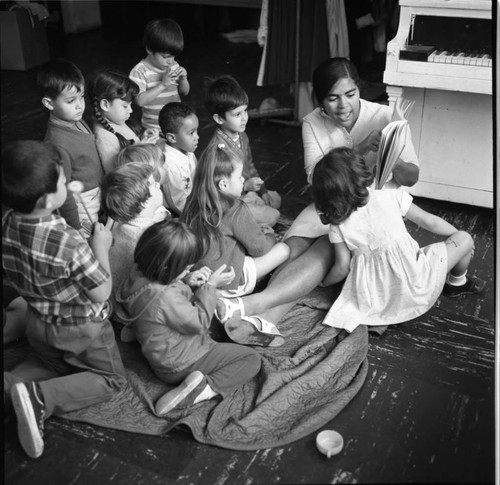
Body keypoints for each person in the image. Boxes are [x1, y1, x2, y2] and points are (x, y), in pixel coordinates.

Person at [214, 57, 421, 344]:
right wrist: (358, 150)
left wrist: (392, 155)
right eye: (332, 99)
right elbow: (315, 180)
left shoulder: (387, 117)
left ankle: (262, 314)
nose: (343, 105)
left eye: (350, 95)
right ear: (321, 100)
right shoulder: (312, 122)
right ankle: (257, 317)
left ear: (359, 90)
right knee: (294, 246)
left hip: (370, 206)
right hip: (328, 200)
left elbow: (412, 178)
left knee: (326, 249)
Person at [2, 140, 126, 459]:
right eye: (61, 180)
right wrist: (101, 245)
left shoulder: (6, 223)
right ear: (46, 199)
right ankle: (40, 397)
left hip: (37, 325)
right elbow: (101, 291)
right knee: (111, 380)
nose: (65, 183)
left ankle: (13, 384)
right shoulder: (68, 241)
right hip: (80, 331)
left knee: (53, 365)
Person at [311, 147, 485, 331]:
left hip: (377, 298)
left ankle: (387, 314)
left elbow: (342, 267)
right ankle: (457, 283)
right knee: (465, 239)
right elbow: (430, 221)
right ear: (361, 173)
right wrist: (456, 237)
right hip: (415, 283)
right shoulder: (390, 195)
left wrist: (323, 283)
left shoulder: (337, 224)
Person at [114, 219, 262, 416]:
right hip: (180, 363)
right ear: (167, 269)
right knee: (251, 359)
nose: (188, 270)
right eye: (185, 268)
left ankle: (140, 329)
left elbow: (164, 291)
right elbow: (199, 323)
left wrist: (185, 279)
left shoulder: (138, 272)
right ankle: (202, 388)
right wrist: (210, 286)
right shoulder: (166, 298)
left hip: (159, 344)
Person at [181, 143, 289, 346]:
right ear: (223, 185)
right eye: (240, 177)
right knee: (284, 250)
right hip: (230, 281)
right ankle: (237, 303)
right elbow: (259, 248)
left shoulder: (191, 202)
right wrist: (271, 237)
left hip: (201, 279)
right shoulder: (236, 208)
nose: (243, 180)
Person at [38, 59, 105, 237]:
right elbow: (63, 190)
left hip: (96, 193)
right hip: (82, 203)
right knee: (91, 240)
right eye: (71, 100)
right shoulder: (57, 143)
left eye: (81, 97)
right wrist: (74, 226)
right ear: (49, 103)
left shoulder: (74, 119)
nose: (79, 105)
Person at [204, 75, 281, 227]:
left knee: (276, 198)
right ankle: (237, 225)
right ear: (219, 119)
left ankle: (252, 209)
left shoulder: (242, 136)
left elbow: (250, 166)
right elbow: (217, 192)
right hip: (229, 203)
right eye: (237, 114)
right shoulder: (217, 150)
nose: (244, 118)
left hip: (246, 194)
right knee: (274, 216)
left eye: (245, 111)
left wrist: (263, 191)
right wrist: (246, 187)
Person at [100, 162, 171, 322]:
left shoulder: (122, 221)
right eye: (154, 184)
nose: (159, 184)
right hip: (127, 308)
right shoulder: (150, 238)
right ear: (144, 202)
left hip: (110, 298)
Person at [130, 18, 190, 142]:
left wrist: (184, 80)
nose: (171, 61)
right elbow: (140, 101)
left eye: (173, 56)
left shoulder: (173, 65)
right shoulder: (139, 71)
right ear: (149, 50)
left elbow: (184, 92)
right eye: (165, 56)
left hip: (177, 126)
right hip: (155, 131)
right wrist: (163, 85)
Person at [87, 69, 141, 173]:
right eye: (125, 106)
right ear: (105, 105)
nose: (131, 110)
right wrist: (145, 150)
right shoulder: (106, 139)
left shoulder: (116, 121)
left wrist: (143, 140)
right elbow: (117, 173)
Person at [158, 102, 199, 215]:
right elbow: (177, 204)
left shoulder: (187, 150)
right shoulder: (171, 166)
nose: (197, 137)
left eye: (196, 131)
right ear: (171, 137)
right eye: (191, 133)